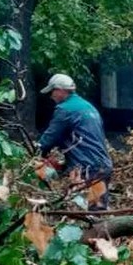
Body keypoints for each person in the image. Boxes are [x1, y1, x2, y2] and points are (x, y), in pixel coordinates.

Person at [37, 73, 113, 211]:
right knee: (98, 211)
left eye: (52, 91)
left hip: (87, 168)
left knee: (89, 214)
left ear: (60, 90)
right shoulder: (87, 107)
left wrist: (36, 154)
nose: (51, 96)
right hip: (102, 165)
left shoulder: (65, 109)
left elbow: (49, 138)